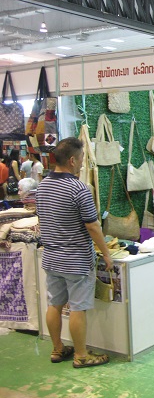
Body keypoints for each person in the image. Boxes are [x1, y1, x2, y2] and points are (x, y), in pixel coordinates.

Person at [36, 137, 112, 368]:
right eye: (80, 159)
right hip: (76, 260)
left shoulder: (42, 186)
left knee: (55, 304)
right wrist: (106, 253)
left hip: (52, 258)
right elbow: (92, 226)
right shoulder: (79, 188)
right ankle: (81, 355)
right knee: (78, 308)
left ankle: (57, 349)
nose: (81, 163)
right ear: (71, 160)